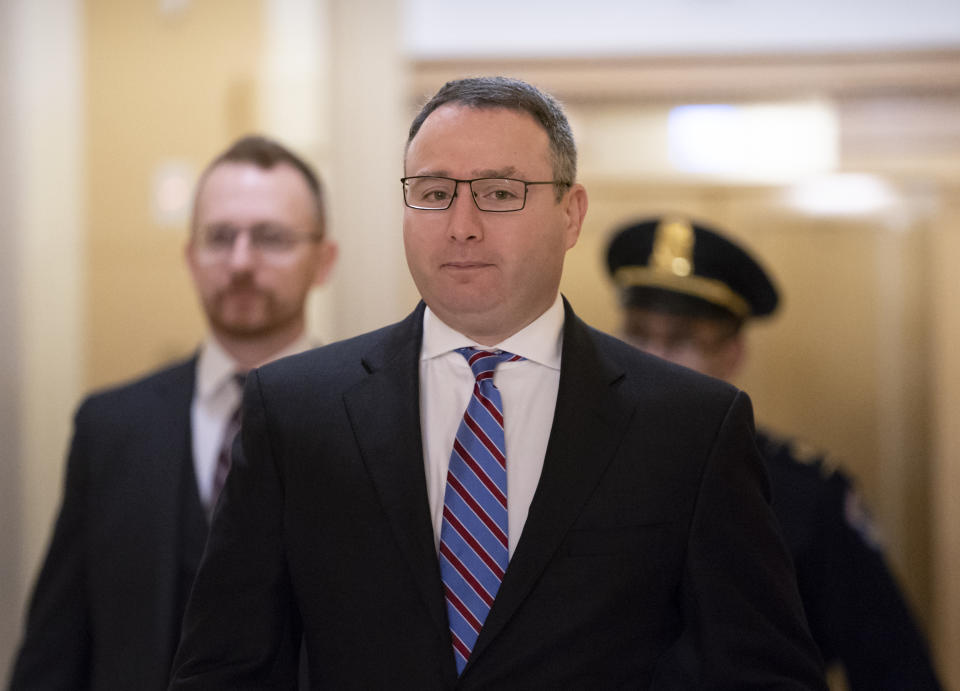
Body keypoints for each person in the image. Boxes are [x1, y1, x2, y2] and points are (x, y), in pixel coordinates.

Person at [168, 76, 826, 689]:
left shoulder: (689, 427)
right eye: (432, 192)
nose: (461, 224)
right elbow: (227, 668)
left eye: (500, 193)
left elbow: (763, 673)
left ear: (571, 214)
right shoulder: (295, 412)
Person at [9, 135, 337, 691]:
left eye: (271, 238)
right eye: (219, 237)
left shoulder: (369, 423)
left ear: (323, 260)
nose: (240, 261)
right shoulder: (109, 429)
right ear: (190, 256)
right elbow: (55, 650)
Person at [605, 215, 943, 690]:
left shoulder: (804, 493)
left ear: (733, 353)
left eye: (682, 340)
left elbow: (894, 666)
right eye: (637, 334)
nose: (653, 360)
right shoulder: (574, 468)